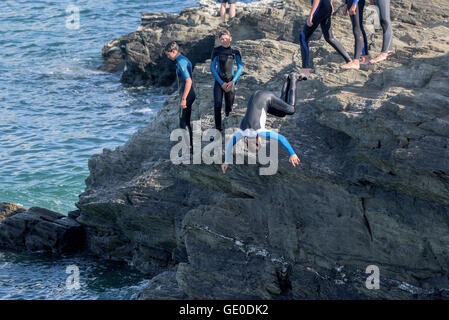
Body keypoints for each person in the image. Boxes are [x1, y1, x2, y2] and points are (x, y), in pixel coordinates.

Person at [221, 73, 303, 174]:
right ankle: (286, 79)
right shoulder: (241, 133)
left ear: (256, 140)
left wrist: (292, 154)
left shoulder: (260, 132)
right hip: (257, 97)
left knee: (291, 110)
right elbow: (229, 144)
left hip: (265, 97)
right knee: (281, 113)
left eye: (260, 142)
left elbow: (282, 138)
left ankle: (294, 78)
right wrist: (226, 162)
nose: (261, 140)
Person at [299, 0, 352, 78]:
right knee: (329, 37)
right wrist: (330, 4)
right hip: (327, 6)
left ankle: (305, 72)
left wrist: (311, 15)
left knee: (303, 37)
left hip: (320, 7)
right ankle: (349, 60)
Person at [210, 29, 243, 141]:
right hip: (219, 82)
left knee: (229, 108)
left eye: (226, 38)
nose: (224, 41)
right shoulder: (216, 50)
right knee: (217, 106)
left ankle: (228, 130)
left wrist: (233, 81)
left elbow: (240, 67)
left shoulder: (235, 51)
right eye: (222, 39)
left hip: (231, 81)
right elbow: (212, 68)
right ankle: (218, 131)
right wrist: (221, 83)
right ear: (219, 40)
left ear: (230, 38)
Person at [164, 41, 196, 153]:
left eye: (168, 54)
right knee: (186, 122)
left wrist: (183, 99)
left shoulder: (181, 62)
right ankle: (190, 149)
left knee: (183, 123)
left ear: (174, 51)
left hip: (187, 95)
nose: (168, 57)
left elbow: (188, 81)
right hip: (188, 94)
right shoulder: (183, 59)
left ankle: (188, 150)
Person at [341, 0, 370, 70]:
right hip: (351, 2)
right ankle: (365, 57)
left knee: (357, 29)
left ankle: (356, 61)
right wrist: (346, 4)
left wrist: (354, 4)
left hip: (355, 2)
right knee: (359, 27)